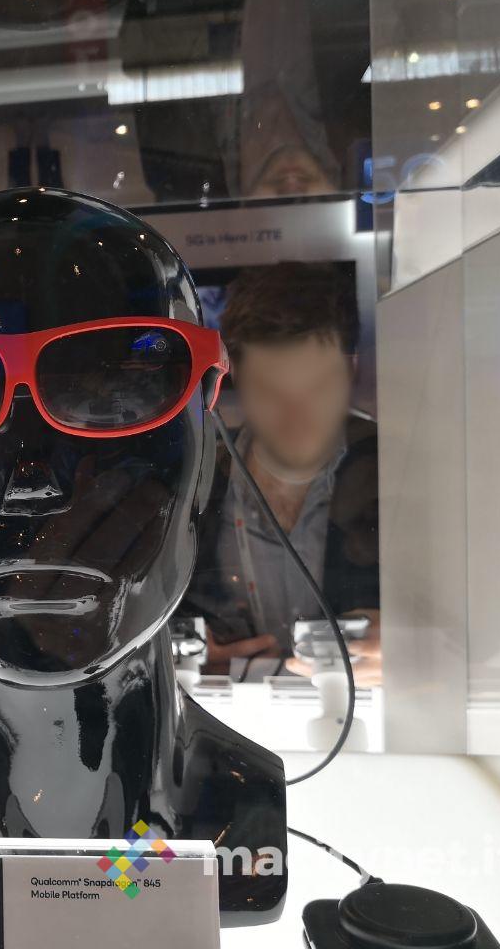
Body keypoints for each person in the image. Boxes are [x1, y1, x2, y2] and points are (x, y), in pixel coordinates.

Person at [180, 262, 381, 685]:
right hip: (235, 713)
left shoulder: (403, 472)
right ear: (235, 375)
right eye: (271, 389)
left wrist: (419, 644)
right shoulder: (191, 482)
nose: (295, 416)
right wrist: (186, 653)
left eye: (317, 387)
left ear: (351, 370)